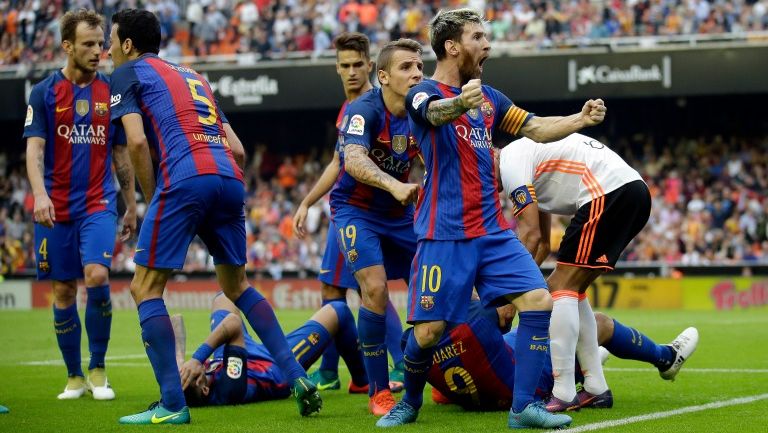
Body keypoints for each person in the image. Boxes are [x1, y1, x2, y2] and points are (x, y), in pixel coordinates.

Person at [378, 8, 606, 429]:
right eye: (478, 37)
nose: (487, 44)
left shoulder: (490, 98)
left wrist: (579, 119)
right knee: (427, 333)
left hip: (493, 230)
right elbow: (432, 114)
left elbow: (534, 128)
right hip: (443, 235)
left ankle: (522, 410)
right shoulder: (421, 90)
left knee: (539, 302)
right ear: (452, 46)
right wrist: (459, 101)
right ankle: (408, 403)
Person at [108, 9, 320, 424]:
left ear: (127, 45)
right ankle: (297, 377)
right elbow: (238, 150)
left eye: (111, 40)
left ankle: (172, 405)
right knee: (237, 284)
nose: (108, 48)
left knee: (145, 288)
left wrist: (154, 200)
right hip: (227, 176)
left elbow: (135, 142)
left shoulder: (127, 72)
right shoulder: (194, 76)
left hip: (185, 179)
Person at [23, 9, 137, 402]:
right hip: (55, 208)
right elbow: (34, 149)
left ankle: (99, 368)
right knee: (62, 292)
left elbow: (122, 156)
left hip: (97, 203)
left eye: (101, 43)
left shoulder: (111, 93)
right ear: (67, 45)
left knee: (98, 276)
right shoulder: (43, 93)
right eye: (88, 44)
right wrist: (39, 194)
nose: (98, 51)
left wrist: (131, 205)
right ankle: (73, 376)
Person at [497, 133, 651, 411]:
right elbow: (543, 243)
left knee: (559, 288)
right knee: (572, 289)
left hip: (607, 193)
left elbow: (530, 235)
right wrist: (521, 291)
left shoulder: (510, 162)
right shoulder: (525, 161)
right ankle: (596, 388)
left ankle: (564, 391)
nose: (489, 188)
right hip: (629, 191)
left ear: (490, 157)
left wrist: (507, 296)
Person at [292, 32, 404, 393]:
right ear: (336, 69)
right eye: (345, 66)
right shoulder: (348, 110)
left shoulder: (379, 104)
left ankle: (398, 365)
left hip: (372, 211)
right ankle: (335, 371)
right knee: (336, 287)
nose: (352, 71)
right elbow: (339, 162)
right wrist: (308, 200)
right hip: (350, 209)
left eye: (358, 64)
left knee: (369, 287)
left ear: (371, 66)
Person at [332, 38, 423, 416]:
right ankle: (378, 391)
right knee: (375, 289)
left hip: (400, 216)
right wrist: (394, 184)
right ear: (382, 76)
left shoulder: (422, 111)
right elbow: (352, 159)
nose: (417, 74)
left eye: (420, 67)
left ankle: (442, 375)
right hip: (358, 211)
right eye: (407, 68)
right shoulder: (362, 110)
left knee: (441, 279)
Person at [423, 301, 699, 410]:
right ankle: (666, 358)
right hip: (521, 378)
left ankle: (588, 362)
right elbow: (508, 310)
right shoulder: (476, 317)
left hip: (475, 375)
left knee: (523, 331)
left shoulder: (415, 338)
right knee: (596, 322)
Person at [174, 293, 368, 407]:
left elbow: (175, 323)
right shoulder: (229, 389)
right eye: (190, 376)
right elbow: (233, 324)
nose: (186, 374)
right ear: (205, 388)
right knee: (339, 310)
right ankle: (361, 381)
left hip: (242, 354)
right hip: (275, 367)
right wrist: (197, 359)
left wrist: (181, 363)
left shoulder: (194, 383)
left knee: (224, 296)